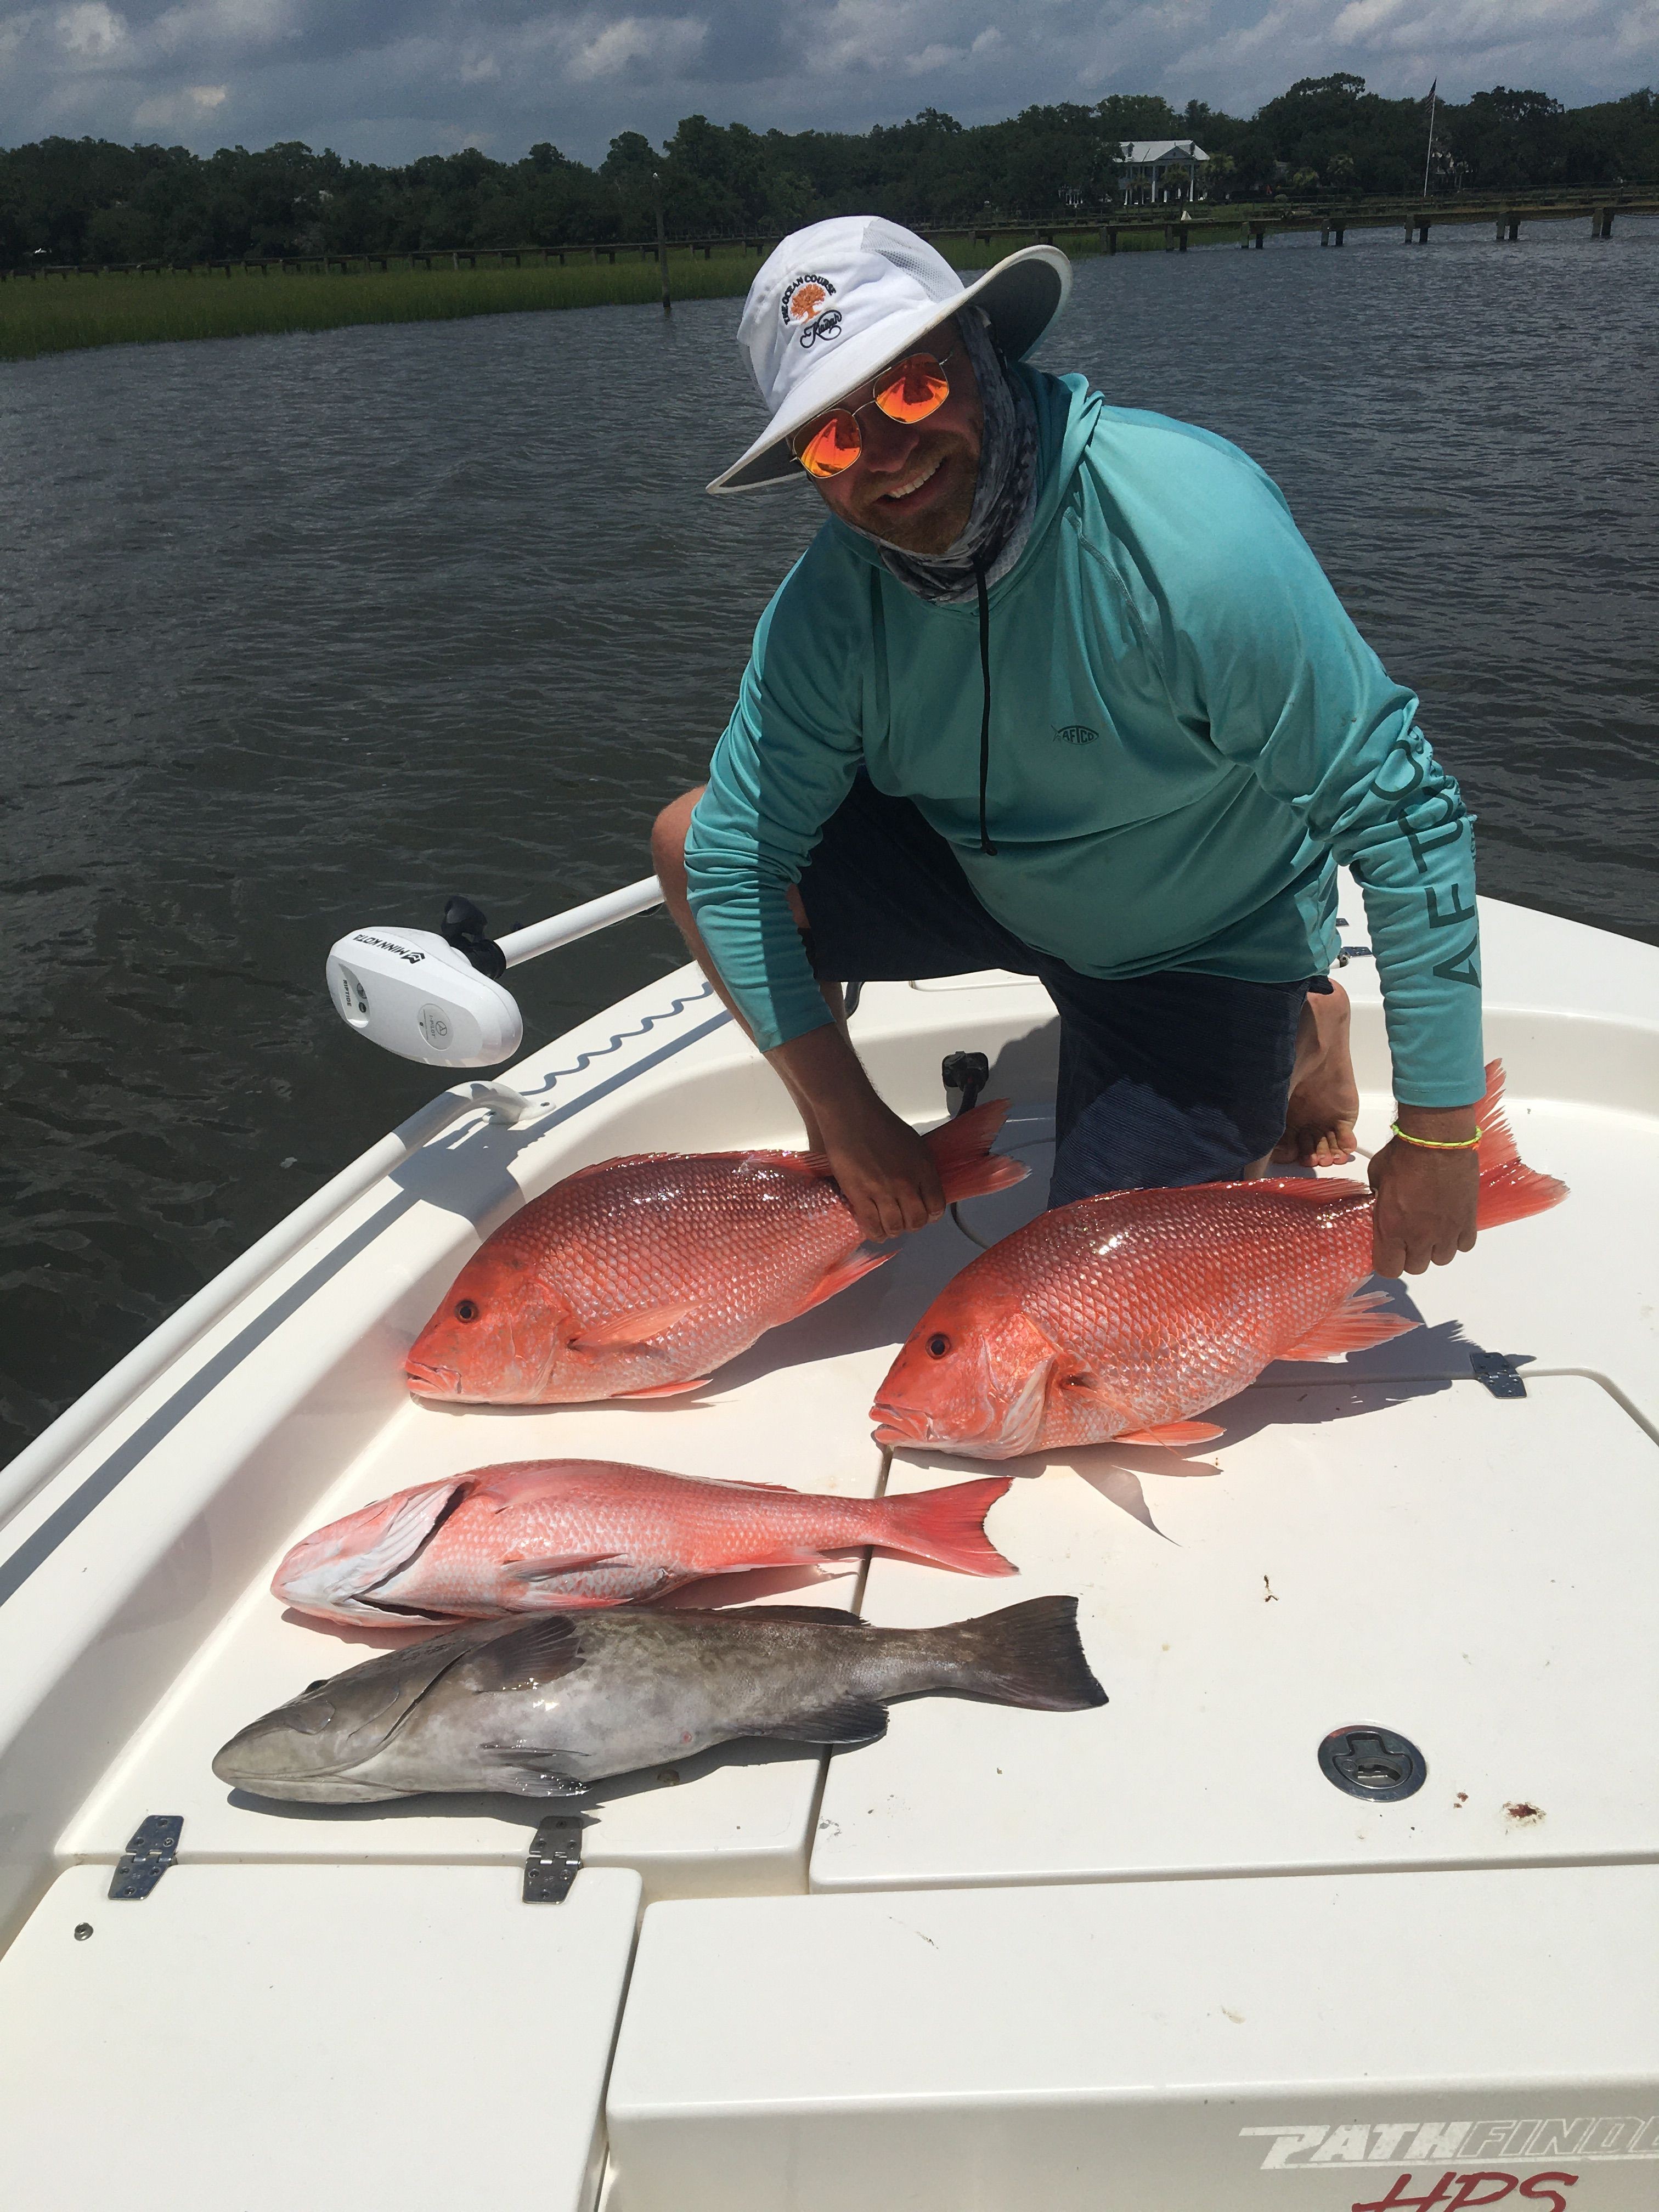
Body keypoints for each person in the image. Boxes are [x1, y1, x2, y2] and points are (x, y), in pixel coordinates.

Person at [651, 218, 1486, 1280]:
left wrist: (1443, 1132)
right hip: (983, 874)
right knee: (691, 839)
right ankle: (1280, 1029)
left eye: (911, 387)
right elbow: (733, 864)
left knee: (1089, 1303)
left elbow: (1404, 812)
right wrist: (848, 1116)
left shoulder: (1193, 536)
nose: (888, 458)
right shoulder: (829, 606)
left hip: (1200, 937)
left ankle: (1299, 1003)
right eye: (833, 437)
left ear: (986, 354)